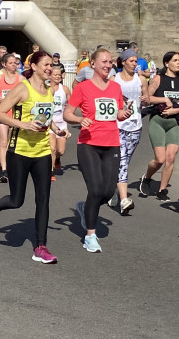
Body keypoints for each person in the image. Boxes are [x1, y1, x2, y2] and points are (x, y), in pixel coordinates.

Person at [0, 52, 64, 264]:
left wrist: (57, 129)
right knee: (17, 200)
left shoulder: (48, 90)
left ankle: (41, 247)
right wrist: (23, 125)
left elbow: (45, 117)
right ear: (34, 66)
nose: (49, 68)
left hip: (43, 152)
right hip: (19, 151)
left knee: (43, 200)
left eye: (51, 66)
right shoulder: (22, 88)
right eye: (46, 65)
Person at [63, 48, 134, 252]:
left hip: (111, 143)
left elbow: (118, 113)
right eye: (103, 61)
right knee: (95, 189)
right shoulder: (83, 88)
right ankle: (90, 236)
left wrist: (124, 113)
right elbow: (68, 113)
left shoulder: (115, 88)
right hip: (89, 144)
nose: (107, 65)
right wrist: (78, 119)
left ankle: (86, 208)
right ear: (92, 64)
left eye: (110, 62)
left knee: (107, 192)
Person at [139, 51, 179, 200]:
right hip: (158, 121)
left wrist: (174, 110)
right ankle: (147, 177)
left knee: (171, 157)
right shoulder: (158, 78)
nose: (178, 63)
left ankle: (162, 190)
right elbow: (146, 99)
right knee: (160, 159)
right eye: (175, 60)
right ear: (166, 63)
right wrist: (164, 99)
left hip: (174, 123)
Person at [111, 50, 147, 212]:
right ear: (123, 62)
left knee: (125, 161)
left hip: (135, 126)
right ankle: (124, 200)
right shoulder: (114, 79)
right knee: (122, 161)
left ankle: (114, 187)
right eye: (131, 61)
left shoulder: (141, 79)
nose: (134, 64)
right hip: (118, 126)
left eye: (135, 61)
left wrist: (146, 100)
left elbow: (146, 98)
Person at [0, 53, 22, 183]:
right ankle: (4, 171)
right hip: (1, 112)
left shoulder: (21, 79)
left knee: (11, 142)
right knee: (3, 141)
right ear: (4, 64)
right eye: (11, 63)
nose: (14, 65)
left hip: (16, 113)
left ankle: (12, 165)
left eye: (16, 63)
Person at [49, 63, 72, 176]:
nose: (58, 77)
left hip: (62, 122)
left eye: (59, 75)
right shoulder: (46, 88)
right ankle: (51, 171)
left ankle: (57, 159)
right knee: (52, 148)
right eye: (55, 75)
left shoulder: (65, 89)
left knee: (60, 151)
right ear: (50, 76)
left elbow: (71, 104)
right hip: (50, 122)